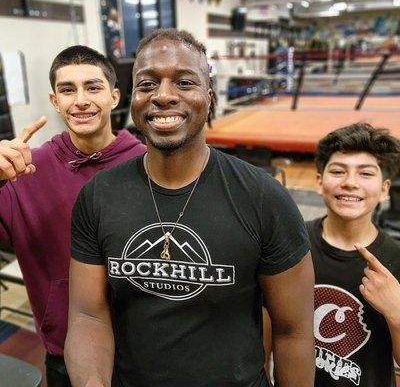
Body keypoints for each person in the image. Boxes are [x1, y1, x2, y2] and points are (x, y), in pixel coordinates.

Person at [66, 28, 315, 387]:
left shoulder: (264, 198)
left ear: (209, 99)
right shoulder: (99, 195)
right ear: (132, 98)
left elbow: (294, 333)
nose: (163, 96)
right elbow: (88, 315)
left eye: (184, 83)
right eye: (147, 84)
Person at [0, 45, 146, 386]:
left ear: (113, 96)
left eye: (92, 87)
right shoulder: (25, 171)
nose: (80, 100)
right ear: (55, 101)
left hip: (145, 348)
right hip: (66, 350)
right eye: (68, 90)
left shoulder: (148, 164)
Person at [309, 122, 400, 387]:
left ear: (384, 190)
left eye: (365, 174)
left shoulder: (395, 259)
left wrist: (396, 312)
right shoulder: (290, 245)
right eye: (338, 171)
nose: (350, 183)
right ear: (319, 181)